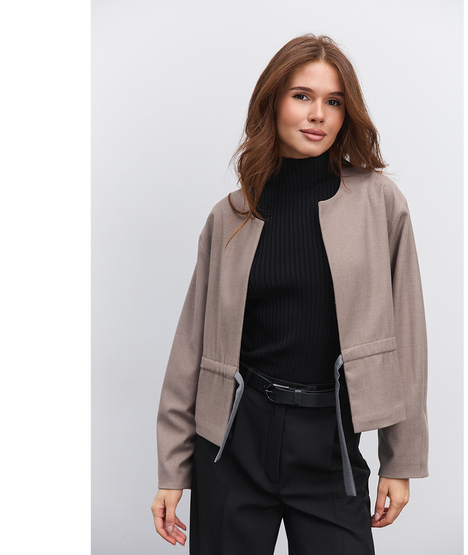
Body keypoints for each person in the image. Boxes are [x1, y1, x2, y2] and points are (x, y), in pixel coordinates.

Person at [151, 34, 428, 555]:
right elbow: (190, 346)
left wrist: (401, 460)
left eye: (334, 101)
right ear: (272, 102)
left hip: (330, 440)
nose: (318, 113)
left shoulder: (380, 203)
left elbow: (408, 337)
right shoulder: (230, 215)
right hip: (233, 442)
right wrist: (172, 470)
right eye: (302, 96)